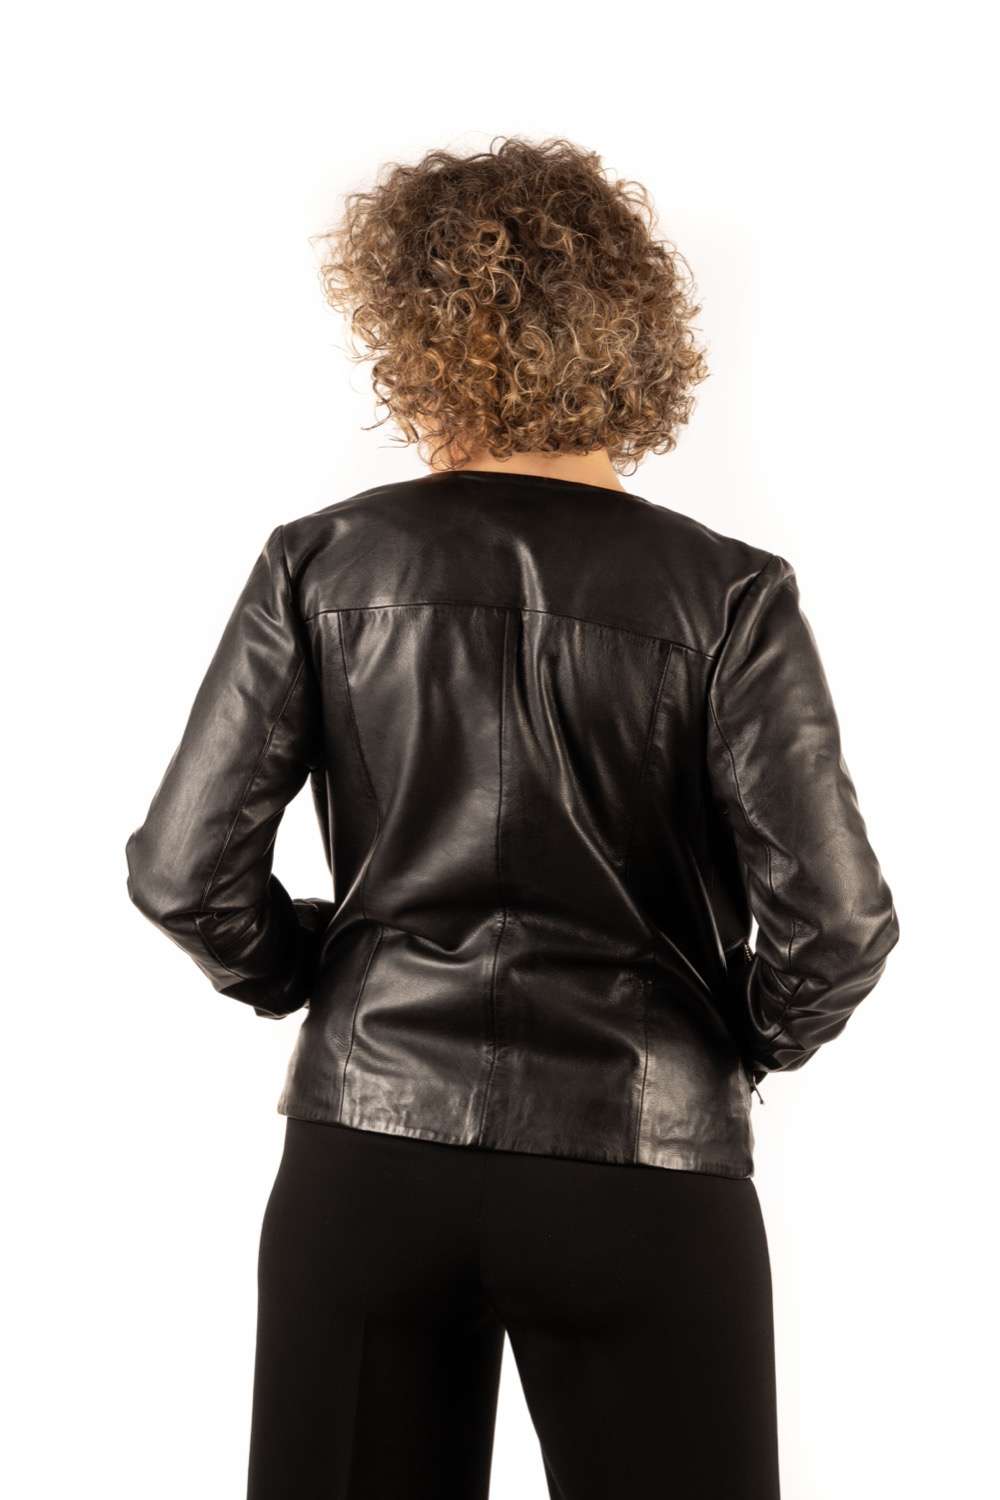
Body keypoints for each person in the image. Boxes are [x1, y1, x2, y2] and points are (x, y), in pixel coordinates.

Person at [125, 135, 900, 1500]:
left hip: (368, 1157)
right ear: (630, 338)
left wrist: (325, 973)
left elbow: (184, 873)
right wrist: (724, 1043)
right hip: (642, 1164)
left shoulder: (321, 564)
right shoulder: (730, 596)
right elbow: (836, 928)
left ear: (418, 339)